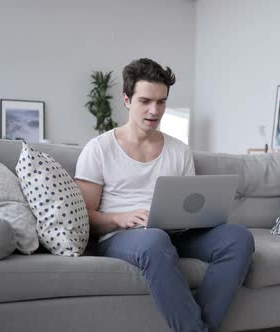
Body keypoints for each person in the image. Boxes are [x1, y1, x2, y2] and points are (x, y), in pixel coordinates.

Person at [74, 58, 255, 332]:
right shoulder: (98, 149)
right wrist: (120, 218)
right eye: (145, 101)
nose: (154, 110)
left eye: (161, 102)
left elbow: (191, 206)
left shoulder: (179, 150)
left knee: (238, 237)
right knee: (155, 239)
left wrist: (202, 216)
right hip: (122, 237)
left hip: (176, 232)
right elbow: (83, 218)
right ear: (126, 100)